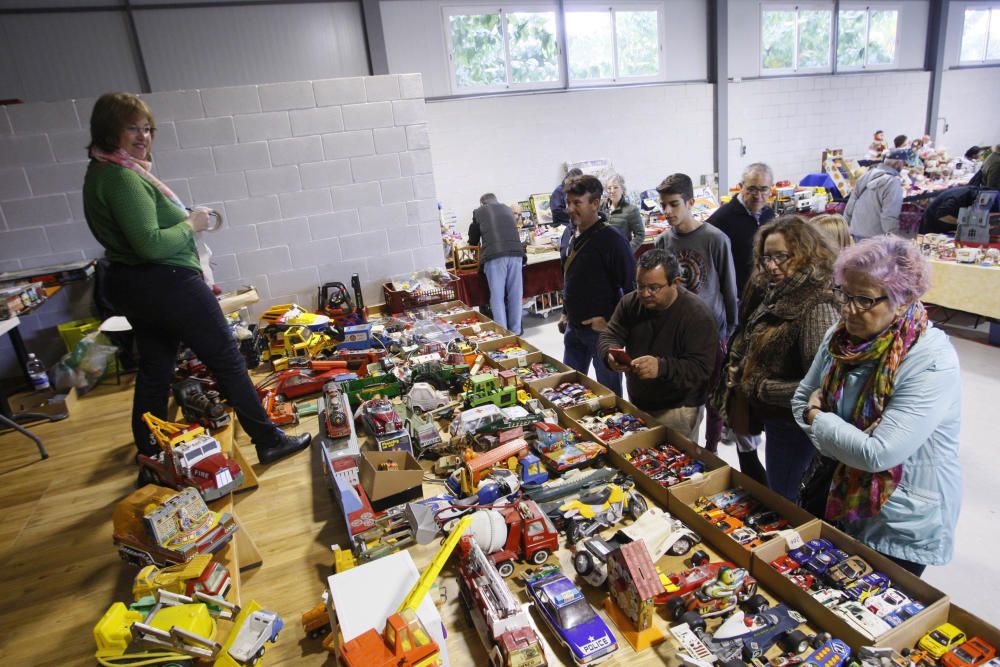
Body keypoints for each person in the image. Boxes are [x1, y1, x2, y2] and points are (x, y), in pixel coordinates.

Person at [82, 92, 311, 465]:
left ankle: (151, 449)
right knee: (227, 359)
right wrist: (191, 224)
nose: (143, 137)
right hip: (167, 282)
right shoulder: (122, 178)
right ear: (110, 130)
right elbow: (151, 245)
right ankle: (268, 439)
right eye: (132, 129)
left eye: (147, 129)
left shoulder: (100, 171)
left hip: (138, 285)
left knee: (156, 369)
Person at [793, 237, 961, 576]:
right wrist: (843, 436)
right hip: (834, 497)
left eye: (865, 300)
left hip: (898, 521)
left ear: (904, 300)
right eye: (845, 294)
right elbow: (799, 402)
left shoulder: (931, 360)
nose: (849, 309)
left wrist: (820, 418)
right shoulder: (840, 338)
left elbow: (877, 455)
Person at [724, 217, 839, 500]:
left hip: (796, 428)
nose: (772, 266)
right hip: (779, 421)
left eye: (781, 256)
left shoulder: (817, 305)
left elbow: (823, 388)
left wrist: (758, 385)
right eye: (767, 258)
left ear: (805, 253)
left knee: (786, 498)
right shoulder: (781, 291)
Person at [655, 173, 738, 451]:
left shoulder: (716, 240)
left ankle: (712, 449)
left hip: (712, 335)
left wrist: (730, 334)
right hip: (677, 337)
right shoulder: (663, 242)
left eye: (674, 204)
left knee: (714, 398)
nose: (667, 211)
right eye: (663, 205)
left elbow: (728, 289)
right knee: (684, 399)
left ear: (690, 202)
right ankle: (683, 450)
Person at [598, 249, 718, 441]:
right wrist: (609, 354)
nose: (645, 294)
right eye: (640, 285)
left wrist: (662, 367)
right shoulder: (630, 303)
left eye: (654, 287)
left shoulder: (697, 315)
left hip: (678, 409)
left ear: (676, 283)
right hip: (639, 402)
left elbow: (702, 370)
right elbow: (610, 334)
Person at [705, 163, 775, 460]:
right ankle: (728, 422)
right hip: (735, 305)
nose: (757, 195)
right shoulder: (722, 219)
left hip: (764, 300)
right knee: (731, 365)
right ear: (740, 187)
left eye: (763, 189)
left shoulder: (770, 215)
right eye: (751, 188)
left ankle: (744, 421)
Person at [559, 174, 636, 396]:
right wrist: (565, 312)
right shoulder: (569, 234)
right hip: (573, 329)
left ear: (595, 203)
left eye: (577, 203)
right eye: (568, 202)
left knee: (610, 395)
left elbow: (632, 291)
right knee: (569, 392)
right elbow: (569, 276)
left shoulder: (612, 240)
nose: (570, 209)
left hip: (601, 334)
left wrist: (611, 322)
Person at [468, 193, 526, 334]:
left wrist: (472, 242)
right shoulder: (507, 209)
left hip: (494, 256)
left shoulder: (479, 212)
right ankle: (516, 331)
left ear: (482, 203)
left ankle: (502, 333)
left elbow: (473, 238)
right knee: (515, 294)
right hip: (516, 254)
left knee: (497, 296)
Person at [844, 149, 906, 240]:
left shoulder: (866, 175)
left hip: (856, 230)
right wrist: (893, 237)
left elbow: (851, 202)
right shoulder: (892, 182)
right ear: (898, 163)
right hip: (875, 237)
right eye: (903, 163)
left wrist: (846, 224)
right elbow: (889, 214)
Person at [602, 173, 645, 251]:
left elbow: (640, 235)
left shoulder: (631, 210)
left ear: (622, 189)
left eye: (615, 187)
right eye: (609, 188)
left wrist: (626, 251)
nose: (612, 191)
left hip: (620, 257)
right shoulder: (602, 208)